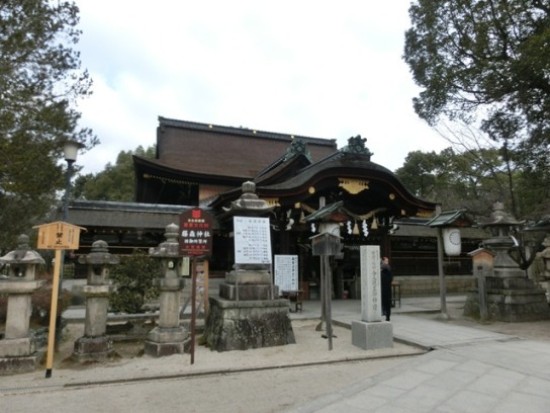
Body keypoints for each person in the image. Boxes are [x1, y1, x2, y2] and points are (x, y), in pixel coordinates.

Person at [380, 256, 393, 321]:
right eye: (385, 261)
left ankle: (387, 316)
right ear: (382, 261)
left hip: (386, 288)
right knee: (383, 302)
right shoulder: (380, 269)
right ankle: (384, 314)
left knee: (387, 302)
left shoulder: (388, 269)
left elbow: (390, 279)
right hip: (383, 288)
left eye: (387, 261)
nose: (387, 263)